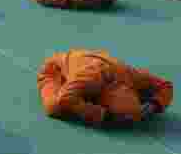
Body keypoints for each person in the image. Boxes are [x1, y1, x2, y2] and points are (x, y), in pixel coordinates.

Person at [38, 49, 172, 127]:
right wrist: (103, 116)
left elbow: (166, 86)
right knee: (54, 107)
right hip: (57, 69)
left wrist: (154, 104)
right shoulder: (89, 77)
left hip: (98, 61)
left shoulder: (132, 76)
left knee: (73, 101)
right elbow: (65, 98)